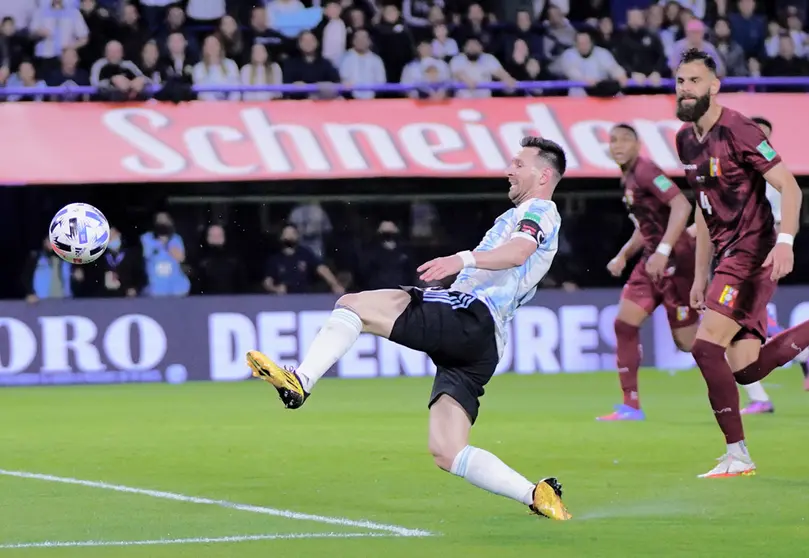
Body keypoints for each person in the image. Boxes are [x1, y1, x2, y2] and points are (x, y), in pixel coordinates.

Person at [245, 136, 572, 520]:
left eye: (518, 164)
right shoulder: (526, 213)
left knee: (353, 305)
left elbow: (518, 252)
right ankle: (536, 494)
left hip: (472, 312)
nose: (508, 170)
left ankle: (301, 381)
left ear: (544, 174)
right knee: (448, 451)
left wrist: (461, 260)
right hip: (484, 344)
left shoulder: (540, 210)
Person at [674, 48, 809, 478]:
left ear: (714, 86)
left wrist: (785, 240)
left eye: (694, 81)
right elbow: (702, 207)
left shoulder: (739, 129)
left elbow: (789, 187)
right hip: (725, 258)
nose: (685, 89)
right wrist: (699, 275)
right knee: (746, 369)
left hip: (751, 254)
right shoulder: (684, 140)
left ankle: (738, 455)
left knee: (704, 346)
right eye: (679, 81)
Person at [598, 124, 699, 421]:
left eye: (625, 140)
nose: (617, 145)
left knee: (689, 344)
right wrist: (623, 255)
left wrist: (665, 250)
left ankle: (743, 352)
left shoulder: (645, 171)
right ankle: (631, 405)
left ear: (638, 144)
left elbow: (682, 205)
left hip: (677, 262)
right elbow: (647, 226)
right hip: (650, 262)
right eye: (613, 140)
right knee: (624, 324)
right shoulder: (627, 177)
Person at [738, 116, 809, 414]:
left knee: (737, 325)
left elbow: (784, 218)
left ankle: (761, 398)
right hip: (737, 257)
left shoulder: (773, 181)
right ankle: (801, 357)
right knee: (745, 325)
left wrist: (780, 244)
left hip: (760, 257)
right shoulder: (737, 176)